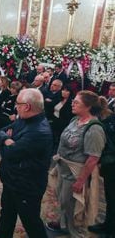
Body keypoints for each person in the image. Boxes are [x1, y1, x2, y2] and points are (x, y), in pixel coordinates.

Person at [0, 89, 52, 238]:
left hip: (26, 186)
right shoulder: (24, 119)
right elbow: (1, 132)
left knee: (31, 223)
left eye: (18, 104)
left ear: (27, 106)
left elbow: (10, 153)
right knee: (7, 213)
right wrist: (7, 140)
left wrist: (8, 142)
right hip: (12, 178)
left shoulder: (39, 131)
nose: (16, 106)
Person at [47, 91, 106, 237]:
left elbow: (93, 158)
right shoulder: (75, 119)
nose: (72, 103)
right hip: (64, 167)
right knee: (63, 199)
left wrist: (80, 181)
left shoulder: (94, 129)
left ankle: (74, 231)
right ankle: (63, 223)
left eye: (76, 102)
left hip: (76, 172)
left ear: (88, 106)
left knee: (73, 204)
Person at [88, 98, 115, 236]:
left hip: (112, 162)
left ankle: (111, 231)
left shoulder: (109, 120)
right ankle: (108, 225)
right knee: (111, 197)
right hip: (109, 162)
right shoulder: (109, 119)